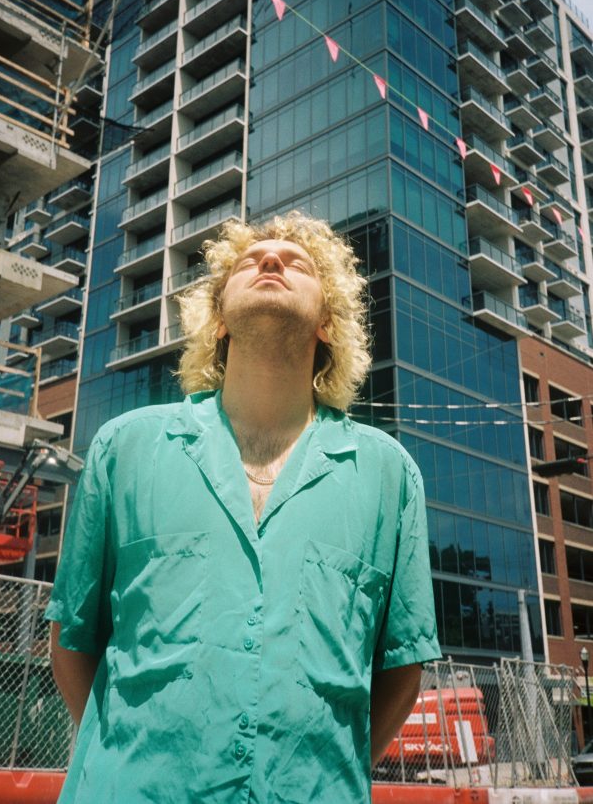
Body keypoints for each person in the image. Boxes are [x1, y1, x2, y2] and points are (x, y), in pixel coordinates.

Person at [47, 210, 441, 803]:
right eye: (249, 262)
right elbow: (71, 643)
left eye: (297, 264)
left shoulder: (390, 475)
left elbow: (402, 671)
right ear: (218, 321)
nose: (271, 260)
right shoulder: (123, 448)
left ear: (328, 324)